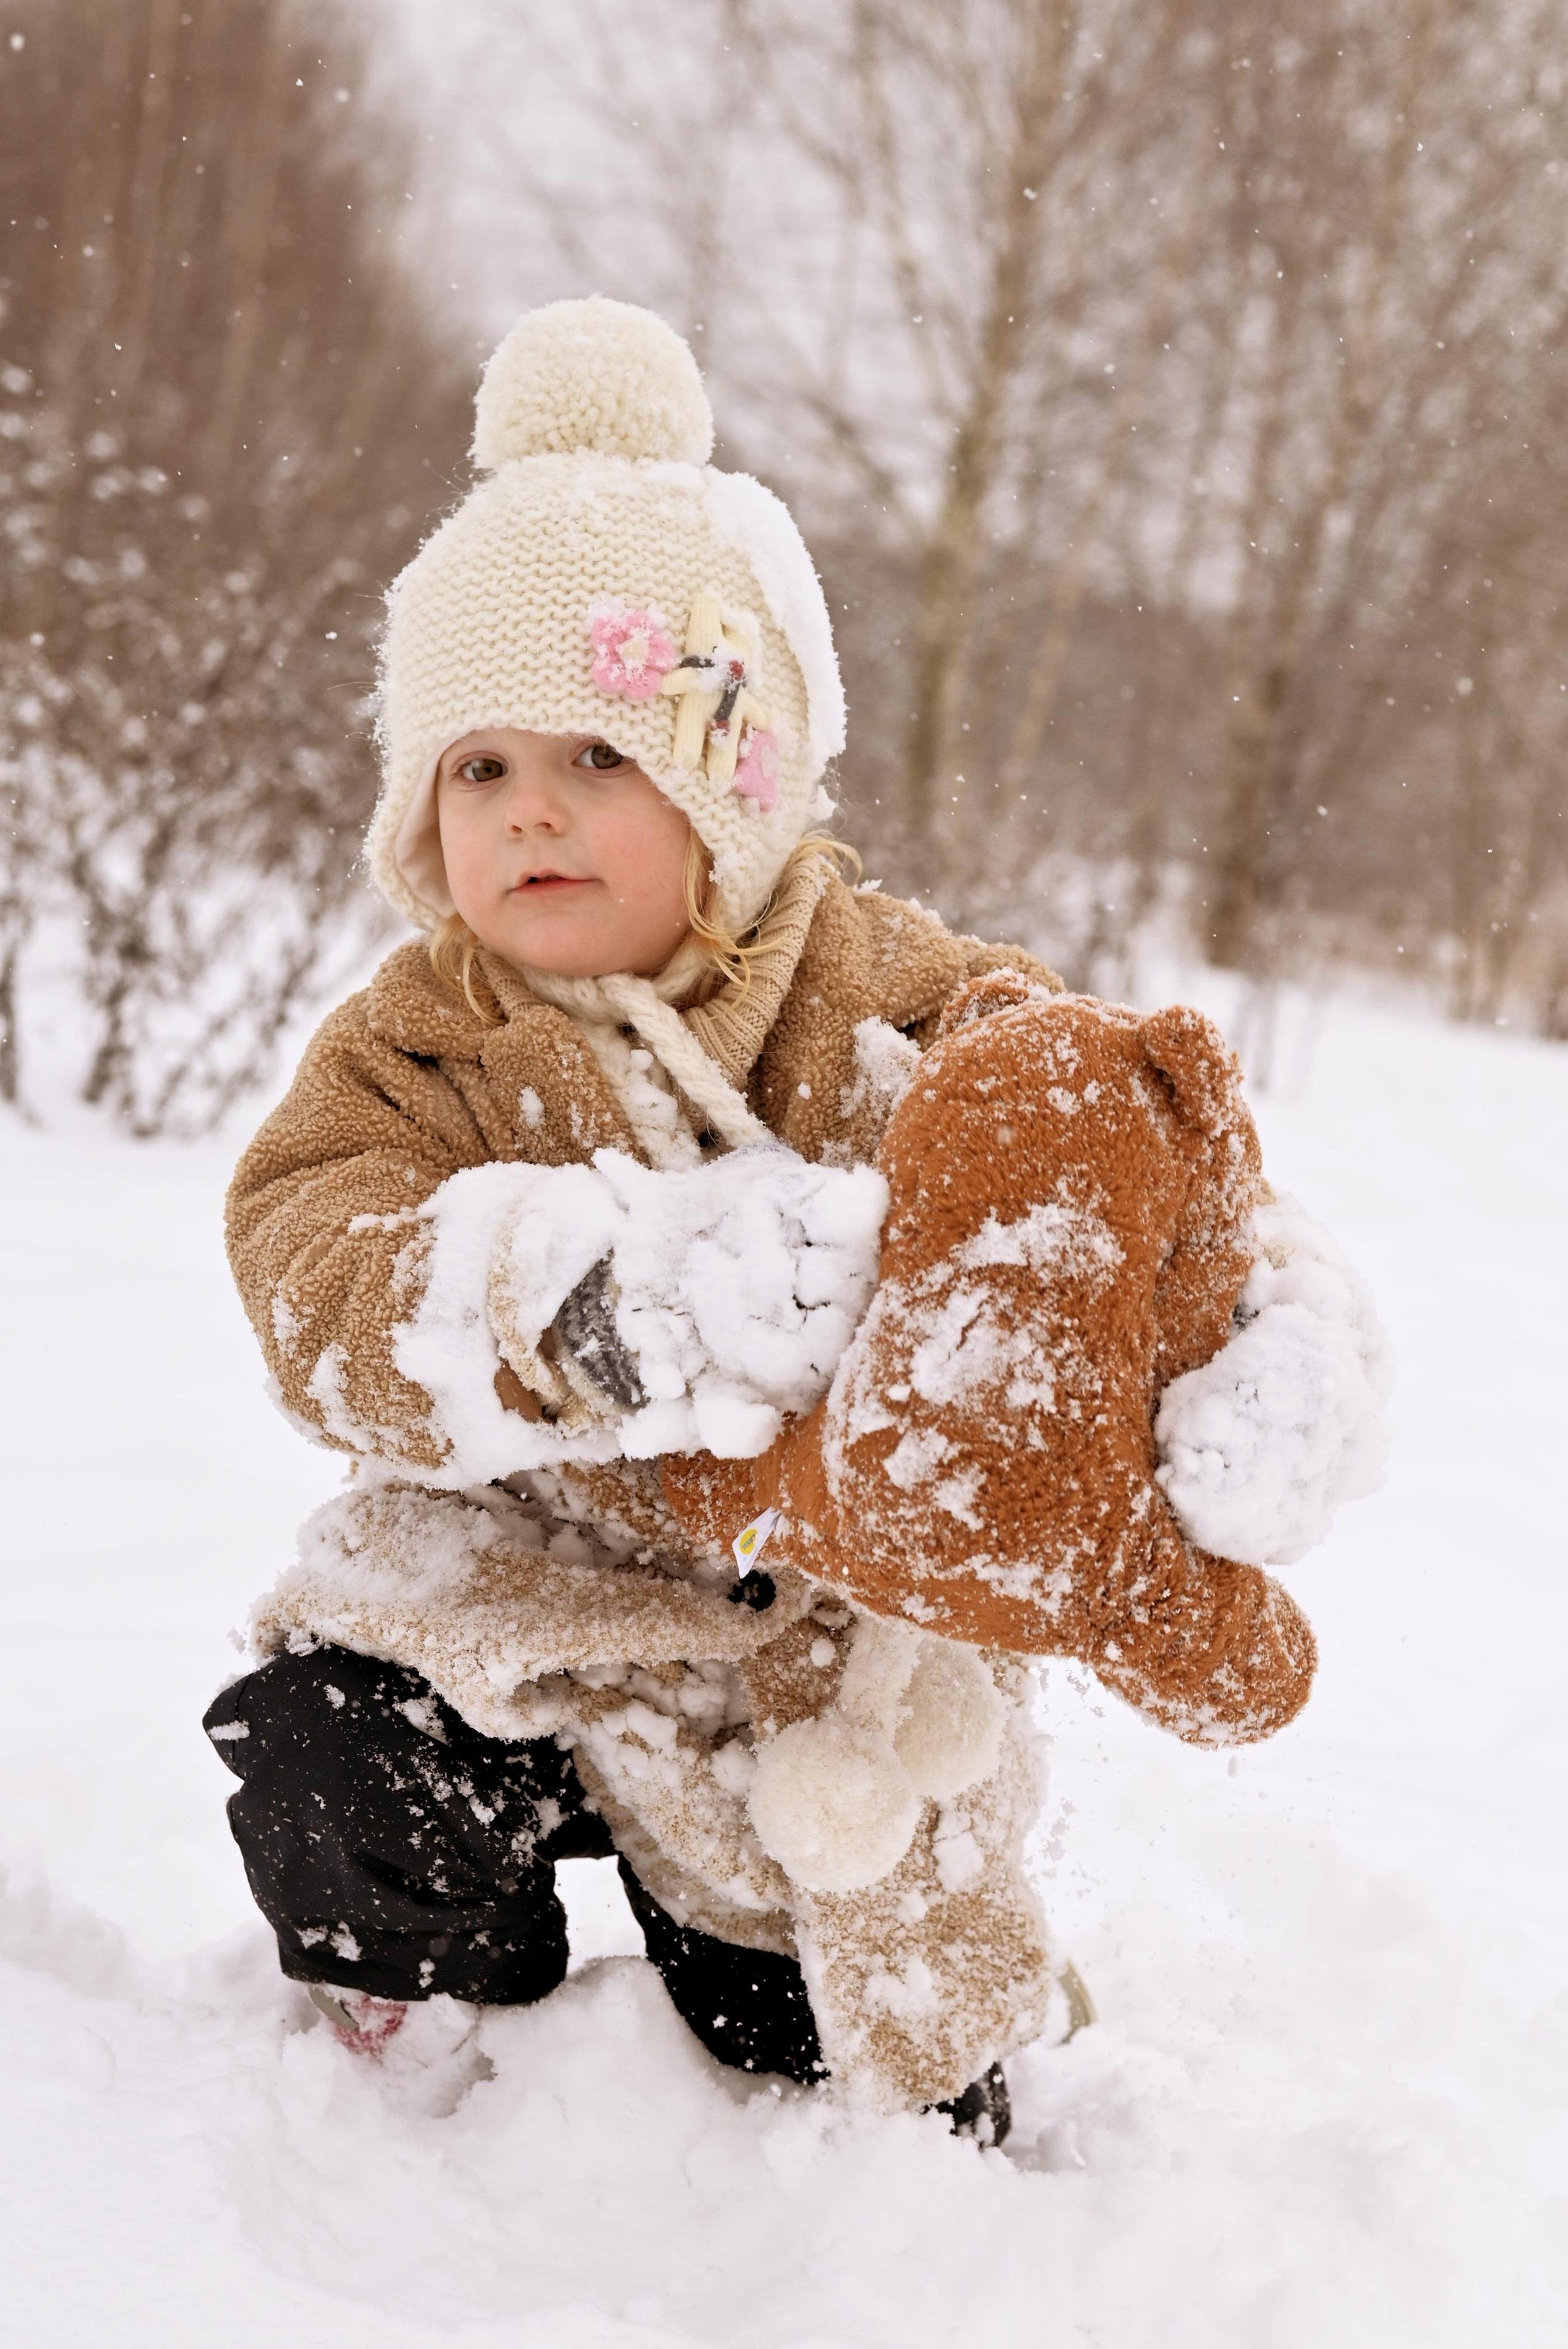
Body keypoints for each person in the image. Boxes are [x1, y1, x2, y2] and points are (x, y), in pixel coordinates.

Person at [206, 300, 1385, 2139]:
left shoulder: (888, 994)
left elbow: (1119, 1176)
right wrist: (564, 1297)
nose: (534, 813)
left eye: (602, 758)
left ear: (729, 779)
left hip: (809, 1654)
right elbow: (309, 1259)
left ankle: (876, 2083)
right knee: (335, 1760)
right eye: (479, 767)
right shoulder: (417, 1039)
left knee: (820, 2020)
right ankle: (426, 2049)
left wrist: (1262, 1336)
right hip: (520, 1590)